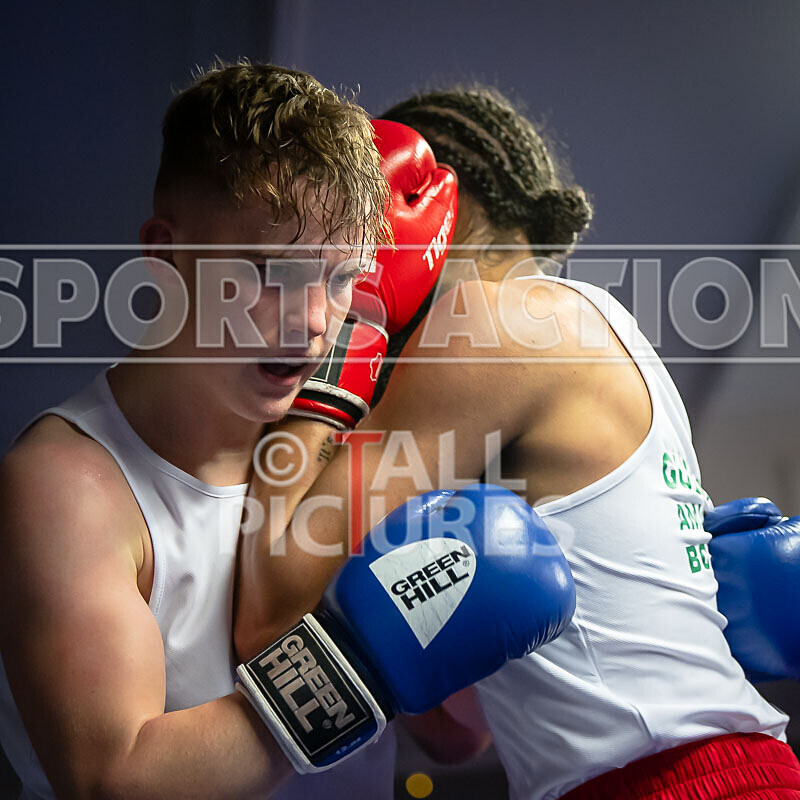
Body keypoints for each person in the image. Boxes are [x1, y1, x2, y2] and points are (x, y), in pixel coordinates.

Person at [234, 86, 800, 799]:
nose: (340, 261)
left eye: (354, 225)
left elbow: (267, 615)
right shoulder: (599, 330)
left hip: (671, 781)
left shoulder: (491, 323)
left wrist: (352, 335)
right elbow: (456, 734)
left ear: (433, 206)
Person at [0, 63, 528, 799]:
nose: (315, 321)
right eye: (274, 273)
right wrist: (365, 663)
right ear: (168, 252)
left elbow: (450, 736)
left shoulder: (332, 453)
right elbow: (112, 777)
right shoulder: (69, 486)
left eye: (344, 279)